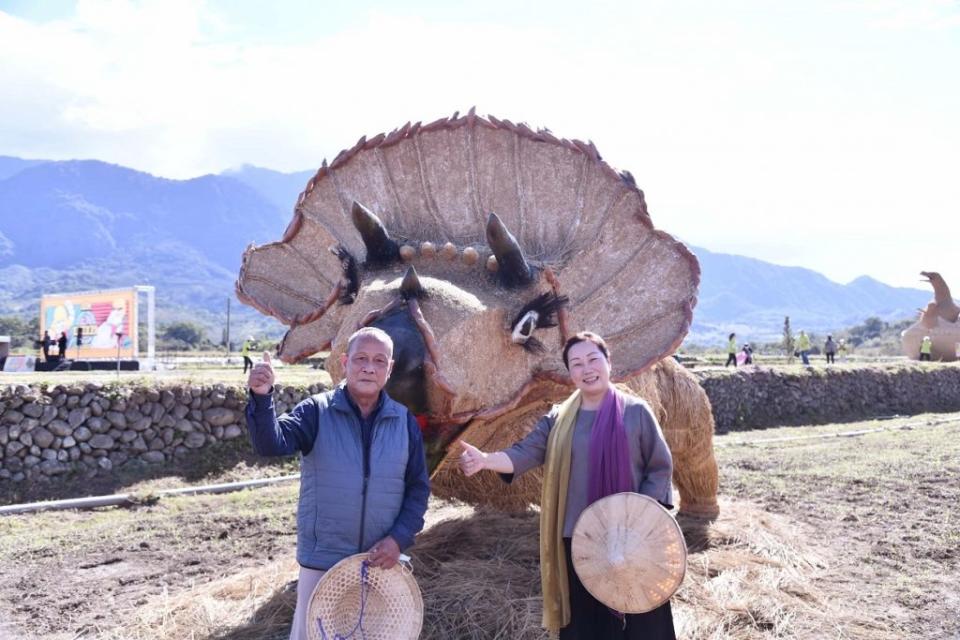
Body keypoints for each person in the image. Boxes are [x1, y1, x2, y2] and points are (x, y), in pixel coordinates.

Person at [459, 331, 676, 640]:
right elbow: (525, 453)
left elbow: (659, 468)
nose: (586, 369)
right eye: (576, 363)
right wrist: (485, 460)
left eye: (592, 359)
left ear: (608, 362)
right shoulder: (558, 420)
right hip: (581, 540)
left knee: (643, 622)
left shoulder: (636, 412)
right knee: (588, 625)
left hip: (635, 538)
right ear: (570, 373)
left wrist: (640, 519)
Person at [245, 327, 430, 640]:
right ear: (344, 362)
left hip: (380, 562)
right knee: (313, 633)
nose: (368, 367)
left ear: (390, 369)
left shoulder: (404, 421)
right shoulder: (316, 411)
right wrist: (262, 399)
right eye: (360, 358)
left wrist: (398, 539)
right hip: (323, 559)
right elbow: (271, 444)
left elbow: (418, 489)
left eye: (378, 360)